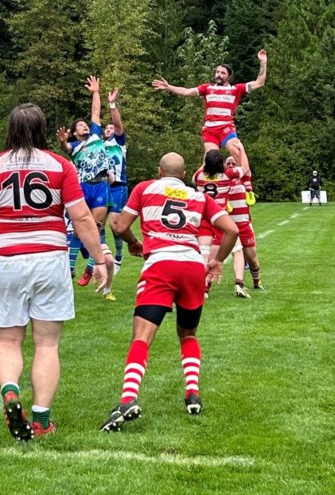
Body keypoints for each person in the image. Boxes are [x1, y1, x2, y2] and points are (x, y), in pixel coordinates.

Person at [0, 103, 107, 441]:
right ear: (43, 130)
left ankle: (10, 390)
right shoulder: (60, 165)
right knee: (46, 344)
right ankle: (42, 420)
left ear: (10, 131)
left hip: (8, 259)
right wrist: (99, 258)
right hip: (50, 259)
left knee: (9, 340)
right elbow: (82, 217)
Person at [100, 152, 238, 431]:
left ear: (159, 172)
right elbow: (232, 230)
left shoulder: (145, 188)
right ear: (185, 175)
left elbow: (120, 225)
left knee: (142, 336)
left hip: (161, 265)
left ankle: (128, 399)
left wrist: (134, 243)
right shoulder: (198, 196)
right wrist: (217, 261)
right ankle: (192, 393)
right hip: (191, 268)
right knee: (188, 333)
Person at [151, 49, 268, 171]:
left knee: (237, 153)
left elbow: (259, 83)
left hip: (226, 128)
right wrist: (169, 87)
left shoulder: (236, 89)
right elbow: (186, 91)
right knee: (210, 159)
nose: (219, 75)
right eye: (217, 72)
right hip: (210, 129)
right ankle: (206, 184)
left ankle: (245, 181)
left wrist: (263, 62)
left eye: (223, 73)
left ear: (229, 76)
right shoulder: (207, 88)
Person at [56, 75, 116, 300]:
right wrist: (63, 141)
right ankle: (70, 266)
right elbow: (64, 147)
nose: (84, 126)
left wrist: (96, 93)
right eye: (79, 125)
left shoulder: (96, 137)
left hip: (100, 185)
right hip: (82, 187)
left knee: (97, 227)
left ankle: (90, 268)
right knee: (79, 226)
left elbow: (95, 113)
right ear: (74, 132)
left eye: (85, 125)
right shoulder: (73, 147)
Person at [192, 149, 248, 298]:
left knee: (204, 254)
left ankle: (202, 287)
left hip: (203, 217)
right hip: (219, 217)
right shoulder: (227, 175)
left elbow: (193, 178)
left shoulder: (199, 176)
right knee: (237, 250)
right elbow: (245, 169)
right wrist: (241, 149)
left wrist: (205, 161)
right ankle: (239, 283)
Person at [219, 155, 264, 294]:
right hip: (227, 226)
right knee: (218, 255)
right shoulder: (222, 180)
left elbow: (245, 166)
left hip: (244, 224)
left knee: (252, 258)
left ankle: (257, 281)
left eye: (234, 162)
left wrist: (236, 146)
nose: (231, 164)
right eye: (228, 163)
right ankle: (207, 287)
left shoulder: (244, 178)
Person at [104, 87, 129, 277]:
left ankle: (119, 255)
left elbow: (118, 126)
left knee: (114, 224)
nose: (110, 129)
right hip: (101, 187)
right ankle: (101, 259)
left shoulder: (118, 142)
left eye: (112, 128)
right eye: (107, 128)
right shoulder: (98, 146)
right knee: (96, 224)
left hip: (118, 186)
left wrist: (112, 104)